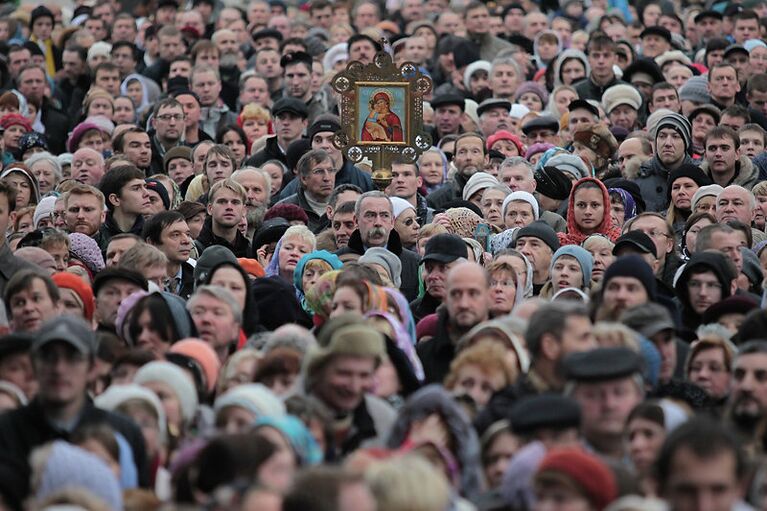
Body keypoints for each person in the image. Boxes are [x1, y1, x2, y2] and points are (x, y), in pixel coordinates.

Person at [0, 316, 149, 496]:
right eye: (48, 356)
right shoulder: (6, 431)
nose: (59, 368)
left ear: (93, 367)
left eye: (73, 357)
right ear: (34, 364)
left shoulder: (123, 432)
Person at [564, 347, 645, 461]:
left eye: (619, 393)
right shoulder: (559, 465)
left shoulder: (661, 458)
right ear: (571, 401)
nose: (609, 405)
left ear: (639, 397)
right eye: (593, 395)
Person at [416, 261, 491, 383]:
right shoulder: (422, 356)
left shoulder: (507, 353)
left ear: (489, 296)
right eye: (456, 294)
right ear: (446, 298)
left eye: (473, 294)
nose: (464, 304)